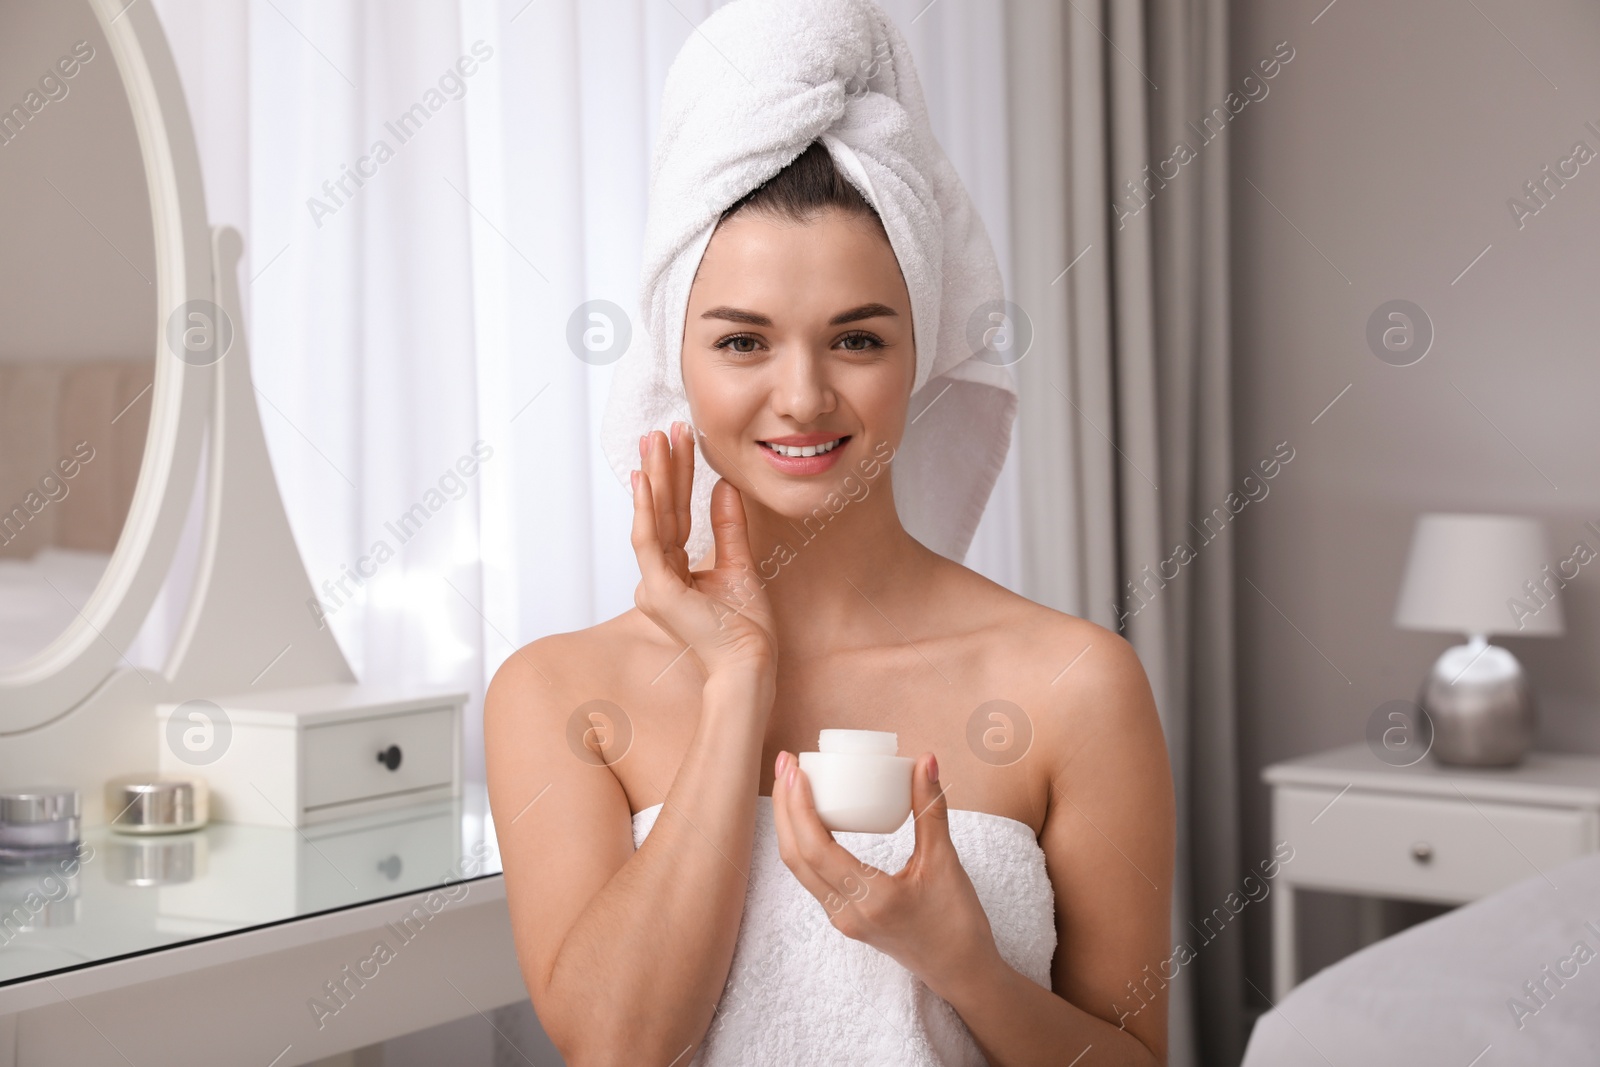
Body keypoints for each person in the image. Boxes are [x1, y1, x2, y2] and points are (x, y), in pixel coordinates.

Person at [484, 137, 1175, 1065]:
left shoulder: (1074, 683)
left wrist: (964, 965)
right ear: (673, 360)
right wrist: (738, 684)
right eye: (742, 341)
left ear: (918, 353)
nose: (803, 396)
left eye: (857, 339)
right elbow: (619, 1047)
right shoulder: (557, 693)